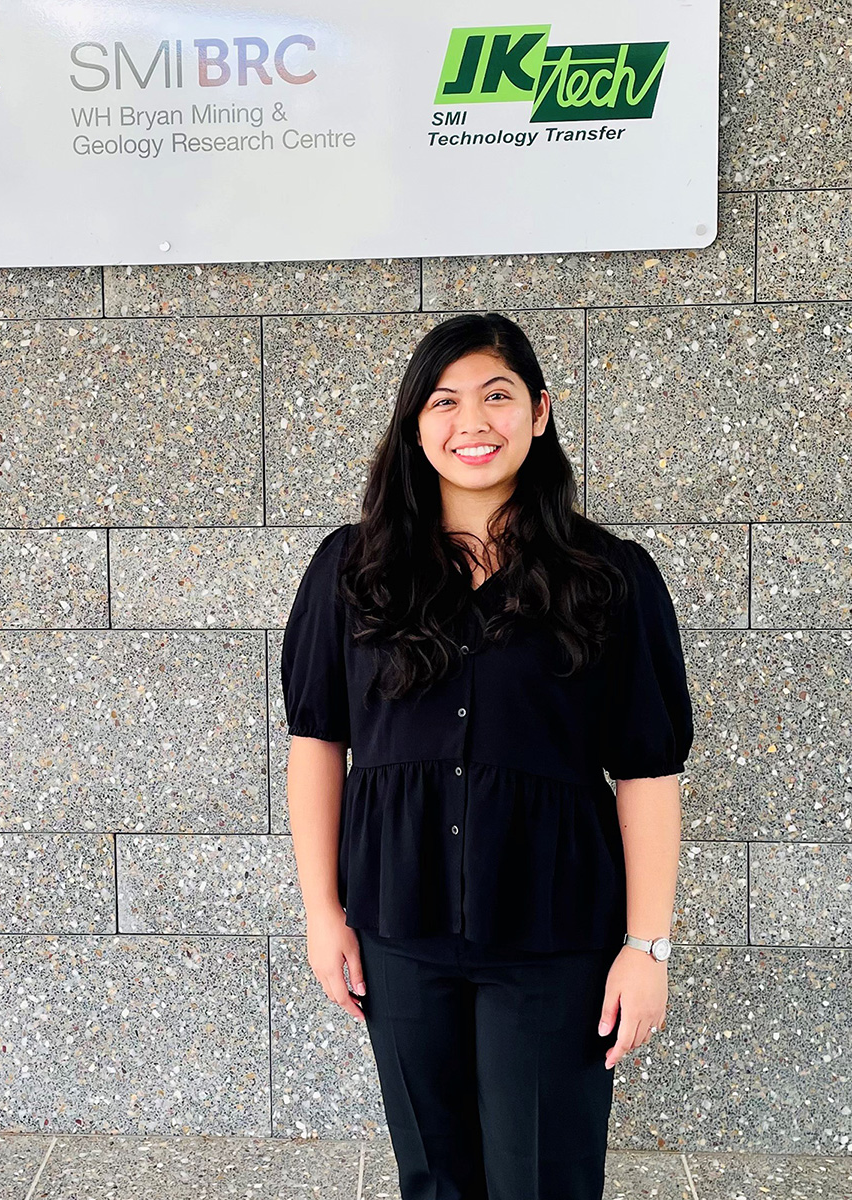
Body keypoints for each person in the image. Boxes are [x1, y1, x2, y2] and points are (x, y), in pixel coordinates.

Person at [280, 312, 694, 1200]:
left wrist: (647, 948)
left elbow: (649, 772)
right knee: (434, 1177)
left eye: (497, 396)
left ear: (539, 412)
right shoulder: (350, 571)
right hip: (399, 926)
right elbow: (318, 742)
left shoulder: (609, 577)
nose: (473, 423)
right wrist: (323, 911)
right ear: (413, 424)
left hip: (556, 934)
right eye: (444, 401)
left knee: (542, 1179)